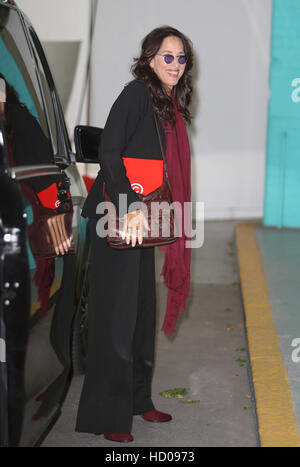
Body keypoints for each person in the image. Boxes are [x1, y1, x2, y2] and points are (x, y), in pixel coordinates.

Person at [75, 25, 194, 443]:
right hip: (120, 217)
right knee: (115, 320)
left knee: (141, 315)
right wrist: (130, 206)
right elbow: (109, 150)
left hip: (144, 223)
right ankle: (109, 416)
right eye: (168, 56)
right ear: (149, 59)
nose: (175, 65)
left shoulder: (168, 104)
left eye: (181, 58)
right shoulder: (136, 94)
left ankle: (138, 400)